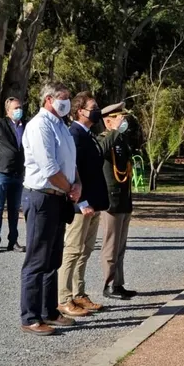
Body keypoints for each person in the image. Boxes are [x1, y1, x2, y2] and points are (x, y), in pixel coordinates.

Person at [19, 81, 81, 336]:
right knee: (37, 259)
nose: (66, 103)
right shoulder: (39, 126)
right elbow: (49, 169)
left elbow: (70, 163)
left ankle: (49, 311)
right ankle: (30, 316)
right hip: (42, 197)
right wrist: (69, 187)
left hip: (60, 197)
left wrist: (77, 184)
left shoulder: (62, 127)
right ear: (48, 99)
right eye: (63, 98)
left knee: (53, 258)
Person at [57, 92, 114, 318]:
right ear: (80, 110)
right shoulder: (74, 135)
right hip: (81, 205)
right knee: (72, 251)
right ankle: (64, 298)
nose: (97, 110)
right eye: (94, 106)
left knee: (84, 252)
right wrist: (82, 201)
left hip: (93, 204)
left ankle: (78, 293)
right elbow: (73, 171)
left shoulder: (88, 134)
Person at [99, 102, 136, 300]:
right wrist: (113, 131)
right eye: (119, 118)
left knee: (121, 246)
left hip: (124, 198)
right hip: (110, 200)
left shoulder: (121, 140)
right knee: (110, 246)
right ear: (108, 121)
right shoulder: (105, 139)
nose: (123, 121)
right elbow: (101, 151)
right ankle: (108, 284)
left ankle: (118, 283)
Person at [0, 96, 27, 253]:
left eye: (20, 107)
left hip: (18, 172)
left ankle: (13, 241)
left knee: (14, 209)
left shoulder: (25, 126)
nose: (19, 110)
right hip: (1, 171)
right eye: (15, 108)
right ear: (8, 110)